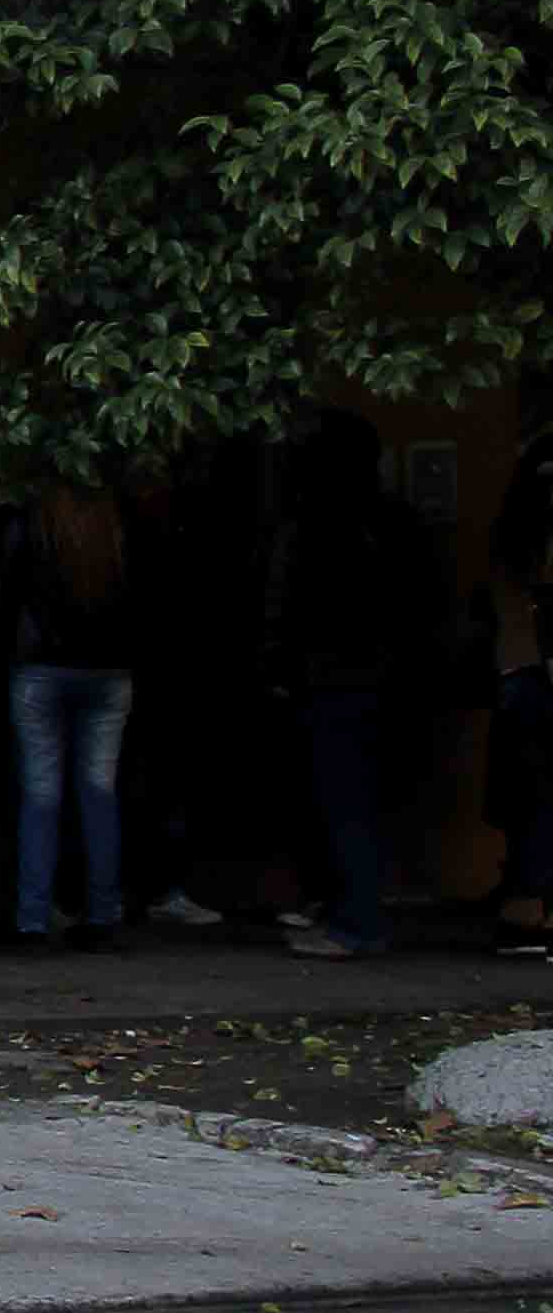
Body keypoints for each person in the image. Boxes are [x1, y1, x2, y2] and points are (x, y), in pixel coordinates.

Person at [265, 410, 435, 961]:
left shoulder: (321, 525)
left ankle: (356, 922)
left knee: (344, 802)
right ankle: (353, 912)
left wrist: (285, 665)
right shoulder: (392, 520)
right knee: (360, 802)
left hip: (336, 677)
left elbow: (300, 606)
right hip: (384, 678)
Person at [1, 482, 140, 954]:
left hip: (42, 667)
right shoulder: (119, 526)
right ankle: (102, 915)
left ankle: (32, 922)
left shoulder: (36, 523)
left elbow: (6, 592)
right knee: (99, 793)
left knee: (41, 796)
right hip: (111, 667)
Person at [491, 419, 553, 960]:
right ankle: (528, 900)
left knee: (531, 791)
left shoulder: (532, 480)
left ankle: (527, 902)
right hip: (529, 667)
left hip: (524, 667)